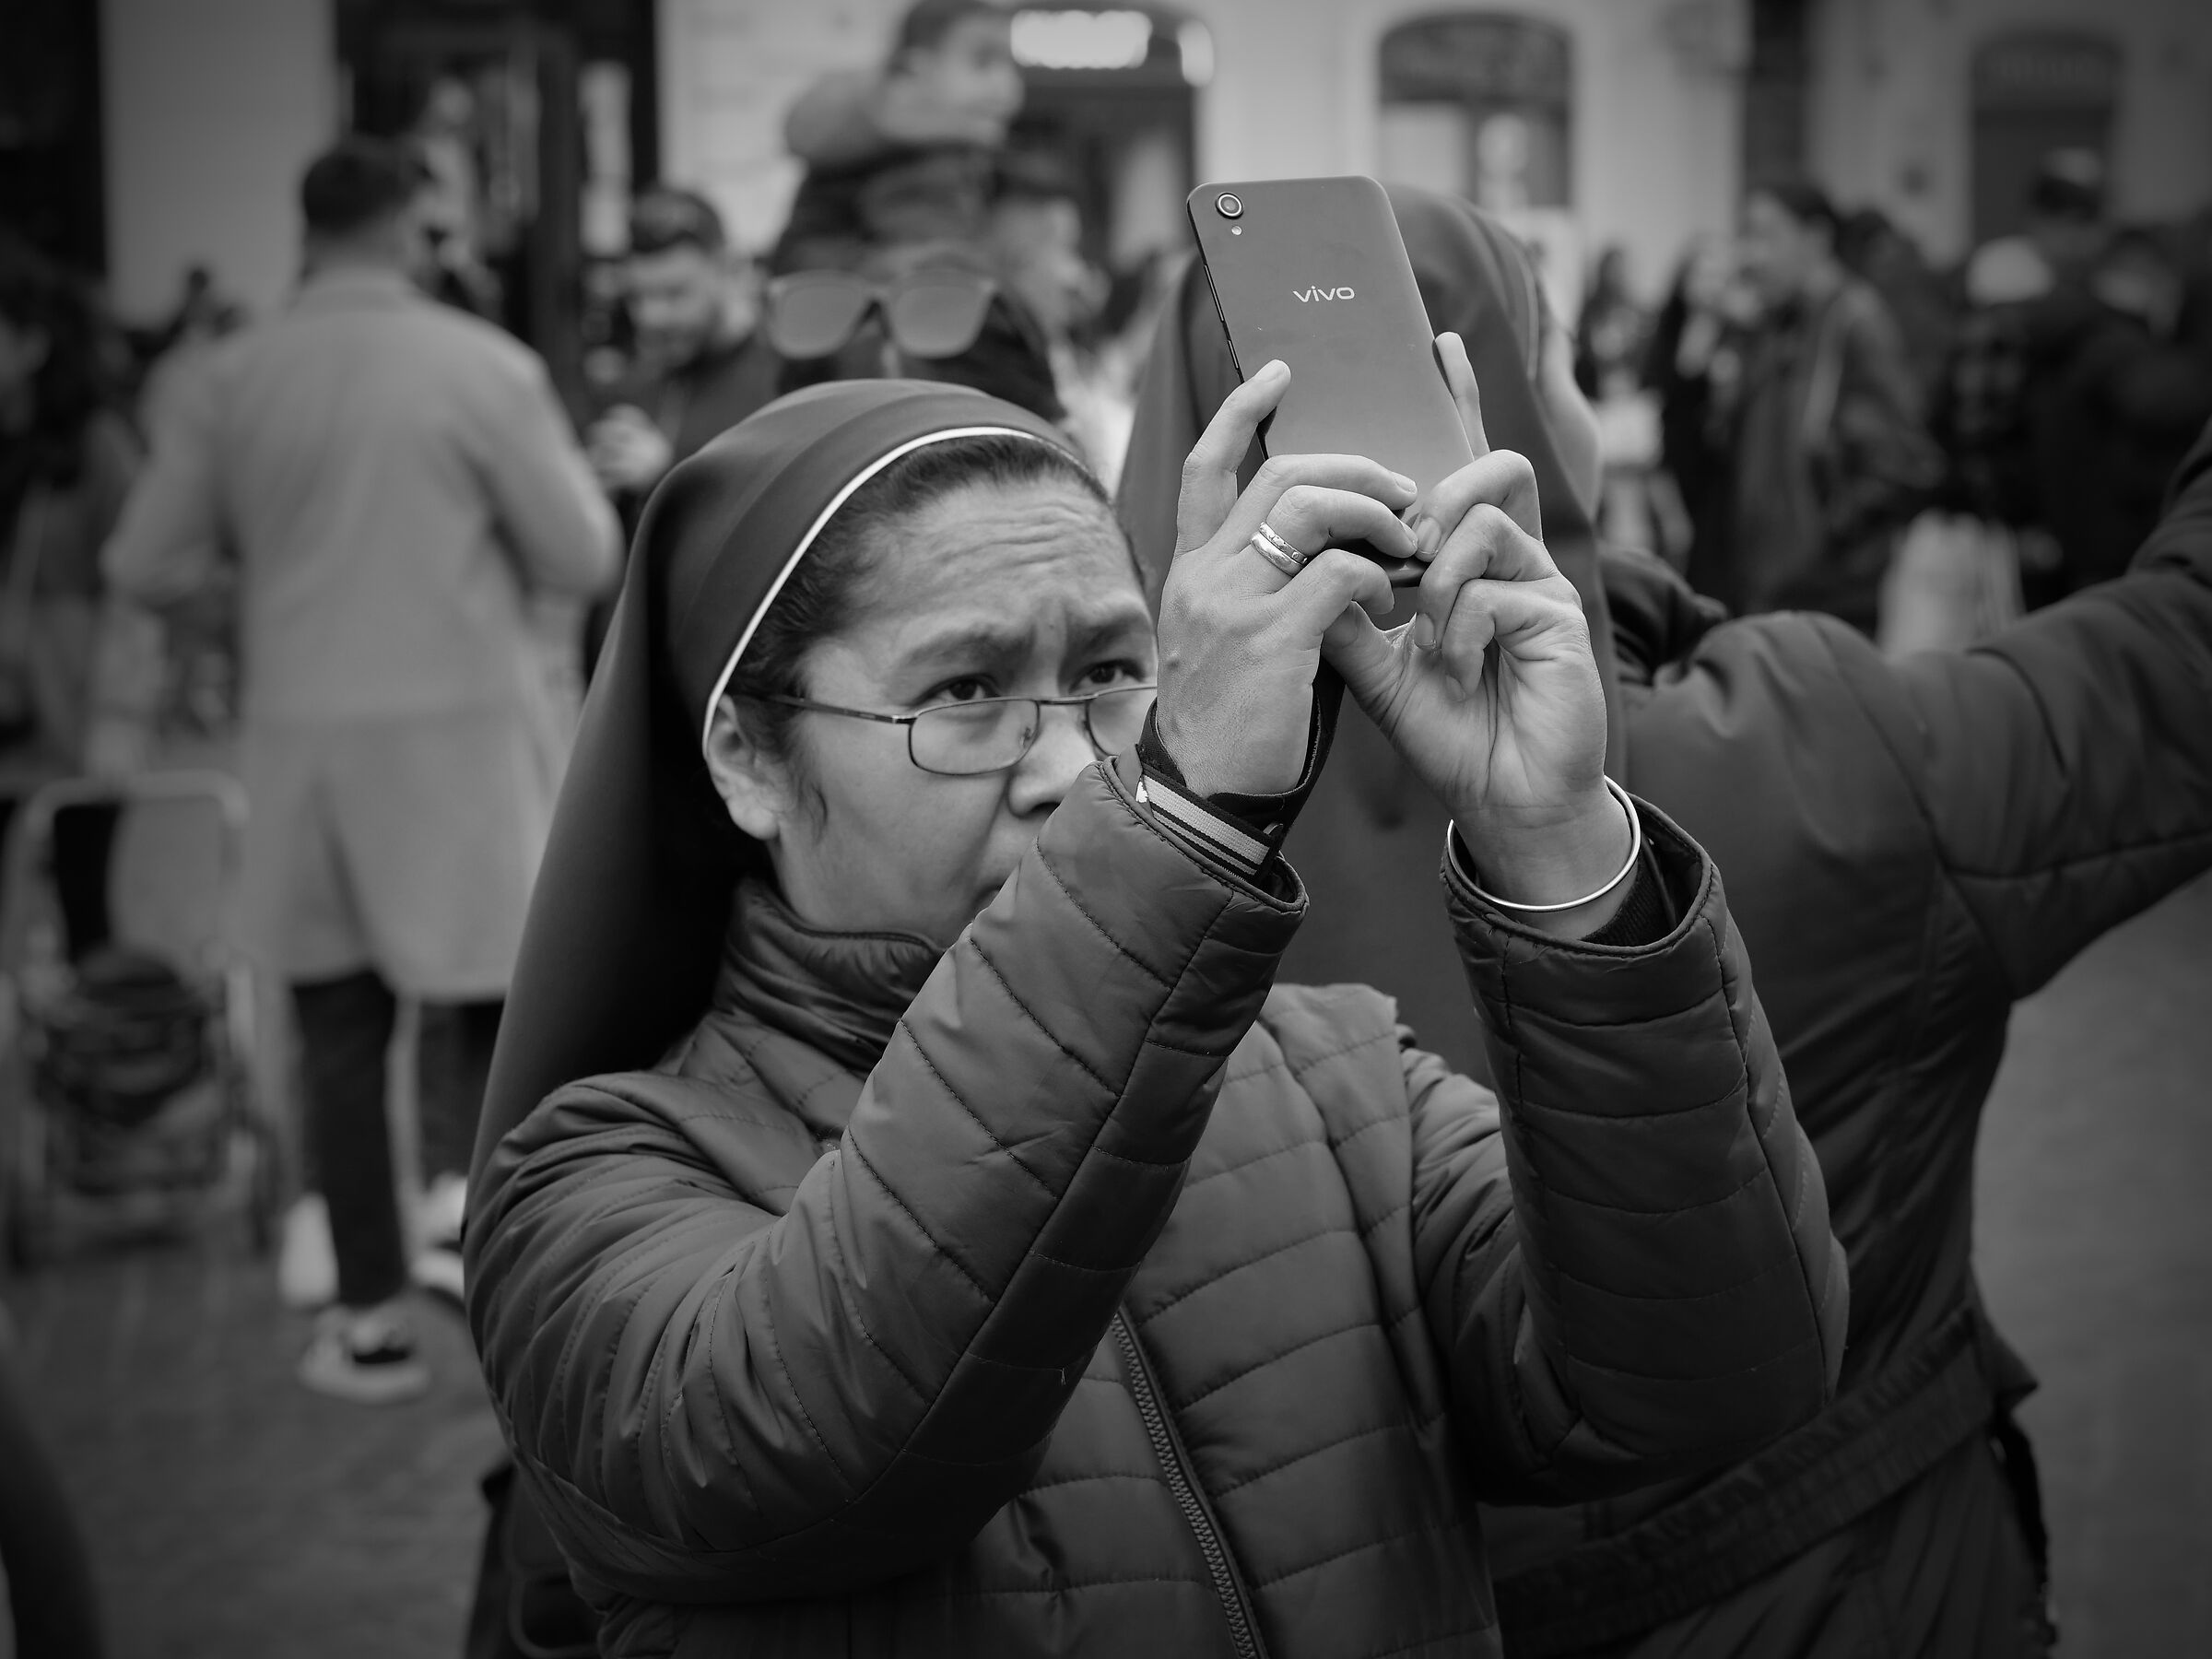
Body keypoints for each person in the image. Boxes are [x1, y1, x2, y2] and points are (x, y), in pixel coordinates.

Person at [462, 371, 1845, 1655]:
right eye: (965, 691)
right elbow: (817, 1443)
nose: (1069, 765)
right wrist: (1181, 813)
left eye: (1115, 672)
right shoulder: (590, 1188)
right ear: (747, 759)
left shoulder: (1338, 1081)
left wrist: (1553, 841)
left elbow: (1716, 1381)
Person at [1120, 181, 2212, 1658]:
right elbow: (2178, 675)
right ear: (1505, 410)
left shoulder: (1084, 898)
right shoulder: (1820, 753)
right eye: (1560, 359)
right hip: (1849, 1598)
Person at [101, 135, 621, 1403]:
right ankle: (519, 1290)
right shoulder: (481, 365)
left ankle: (369, 1314)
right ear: (407, 226)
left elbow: (142, 562)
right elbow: (580, 553)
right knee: (496, 1019)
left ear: (309, 228)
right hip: (462, 736)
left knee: (336, 1033)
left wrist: (249, 609)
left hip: (306, 738)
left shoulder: (229, 379)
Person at [0, 239, 140, 953]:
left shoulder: (97, 446)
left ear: (32, 344)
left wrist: (118, 716)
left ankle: (80, 1021)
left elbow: (135, 590)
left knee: (85, 916)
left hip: (71, 718)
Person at [1725, 181, 1941, 631]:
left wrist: (1828, 554)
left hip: (1830, 600)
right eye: (1746, 237)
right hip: (1772, 586)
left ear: (1816, 238)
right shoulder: (1779, 326)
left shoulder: (1854, 321)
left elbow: (1899, 462)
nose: (1751, 256)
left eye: (1766, 235)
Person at [771, 0, 1023, 274]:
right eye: (983, 62)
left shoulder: (931, 144)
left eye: (1011, 65)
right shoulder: (922, 154)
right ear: (916, 71)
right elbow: (936, 260)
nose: (1005, 85)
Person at [584, 187, 779, 511]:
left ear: (726, 268)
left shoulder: (781, 380)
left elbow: (783, 514)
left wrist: (667, 478)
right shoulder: (637, 384)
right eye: (638, 296)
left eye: (674, 293)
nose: (651, 317)